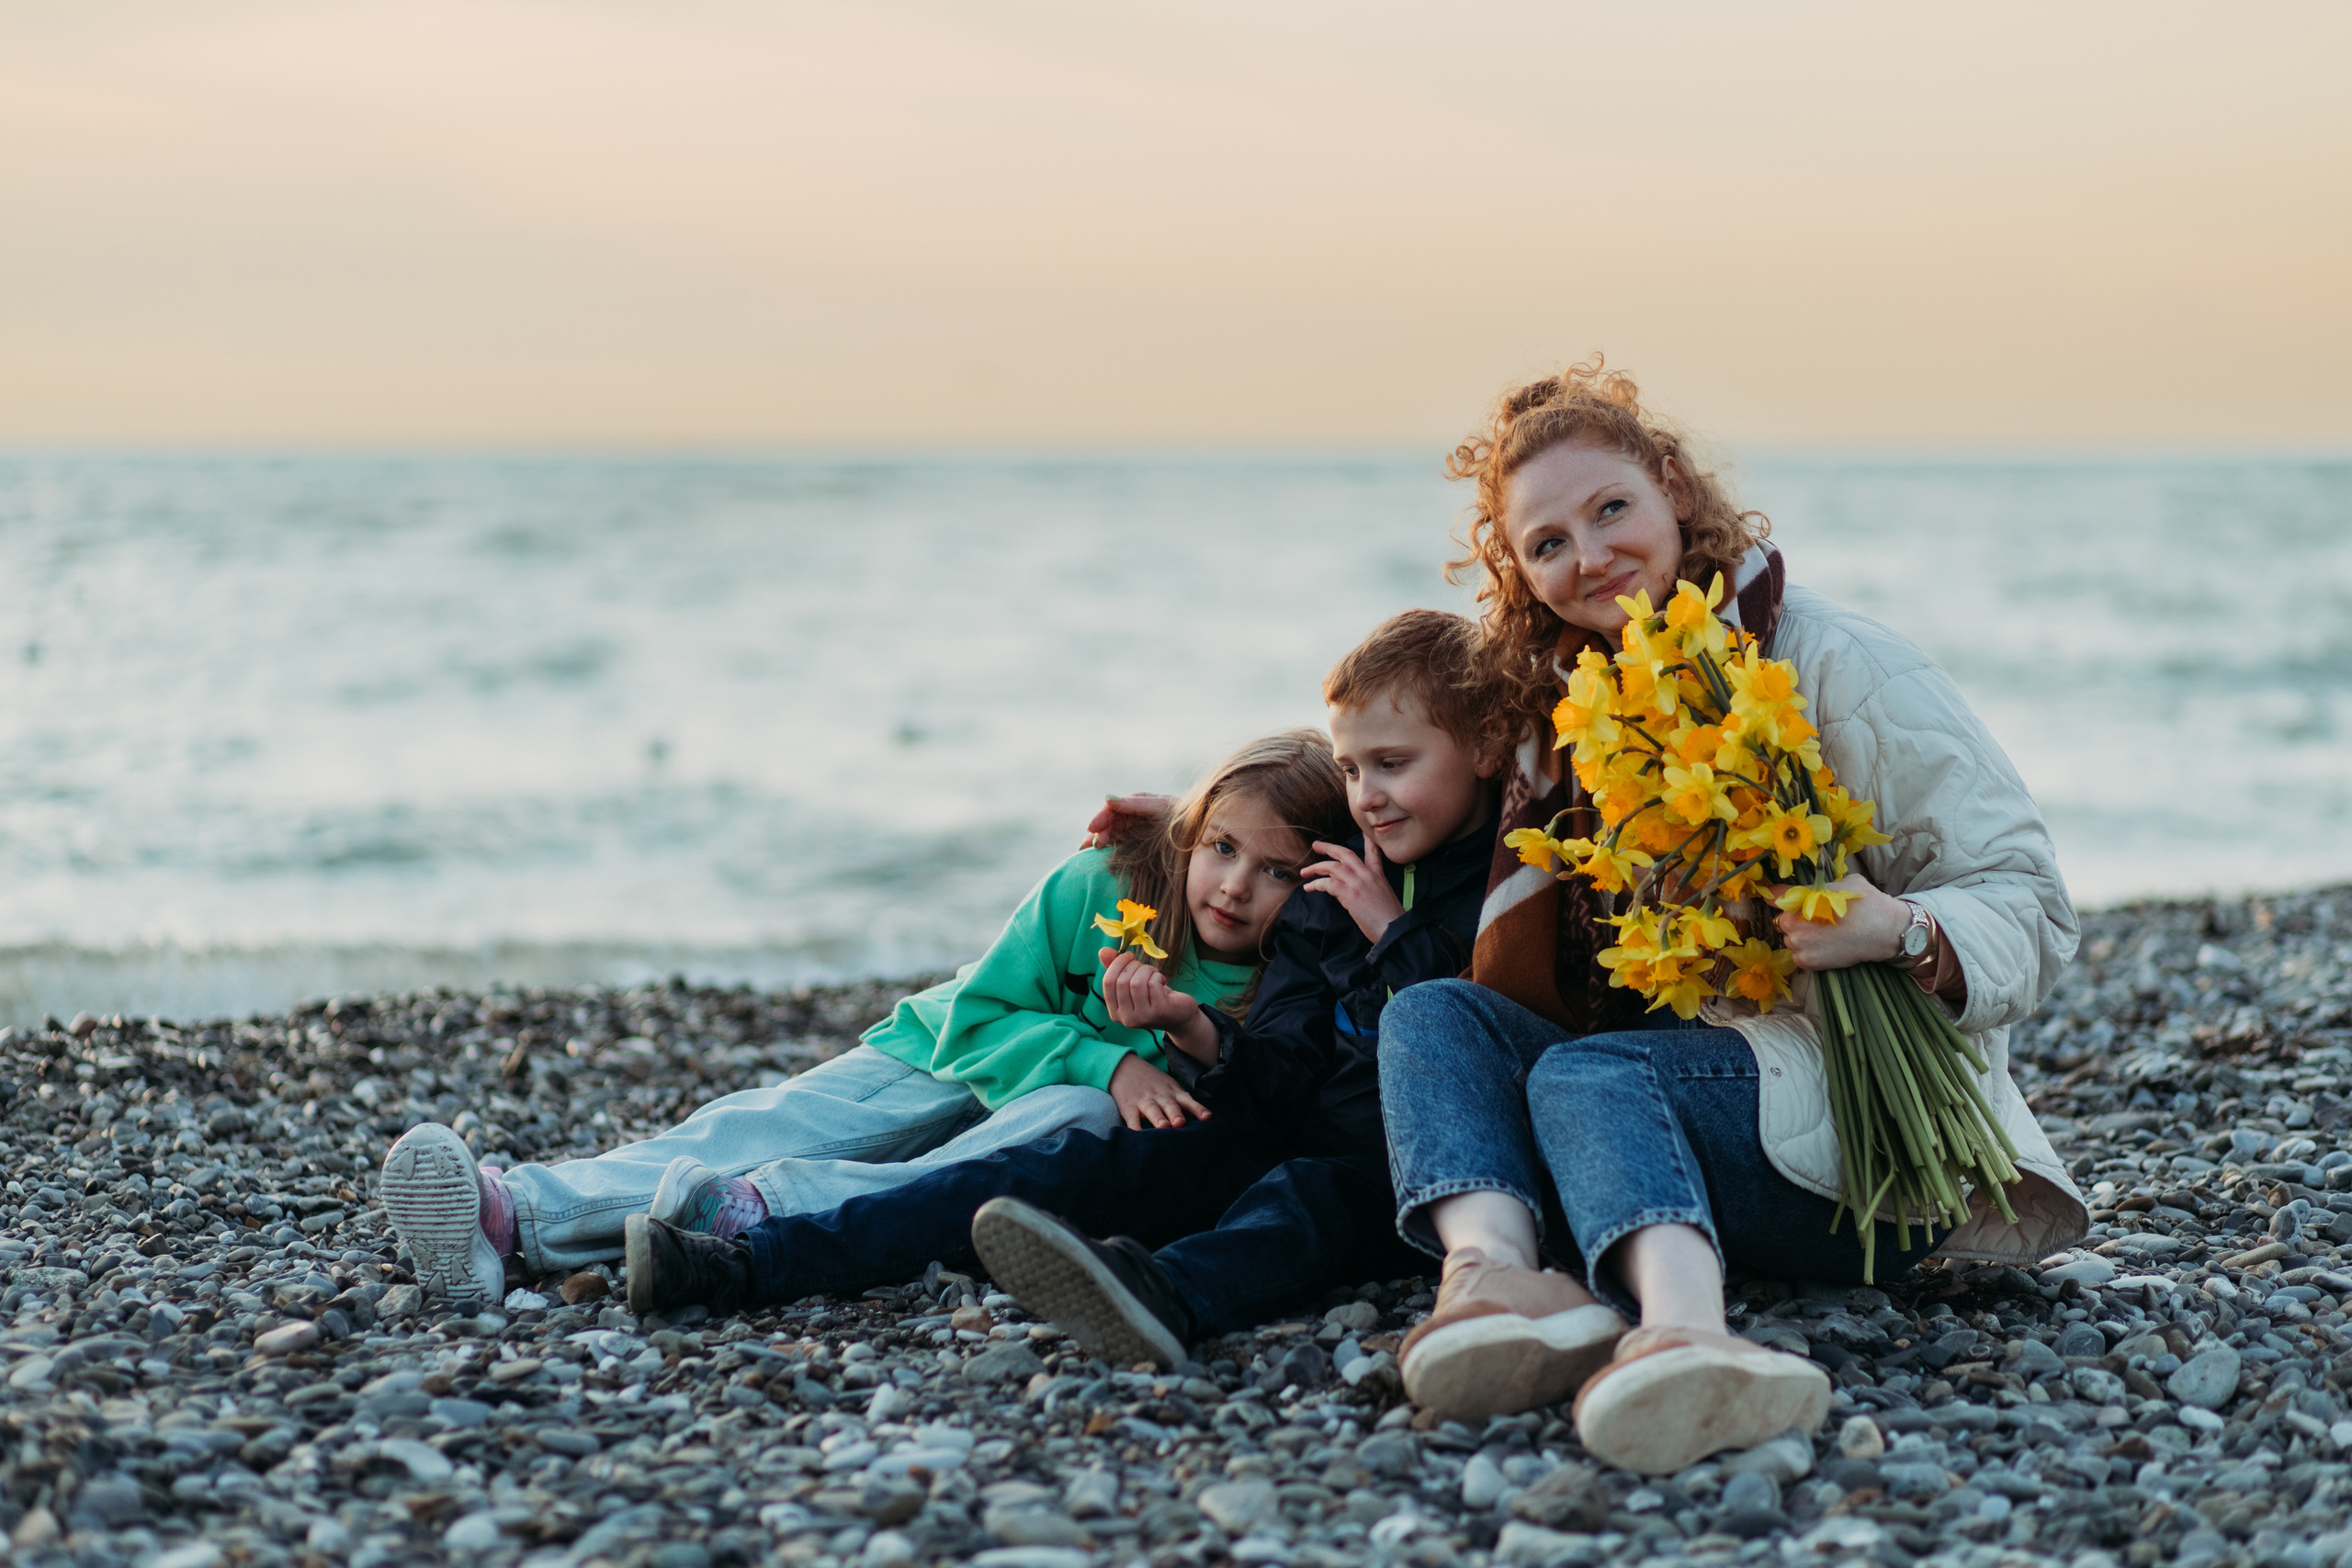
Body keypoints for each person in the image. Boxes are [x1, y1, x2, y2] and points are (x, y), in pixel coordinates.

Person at [1378, 359, 2087, 1474]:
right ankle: (1500, 1282)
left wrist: (1890, 926)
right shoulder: (1565, 710)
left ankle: (1688, 1337)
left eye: (1610, 508)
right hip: (1687, 1113)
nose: (1589, 555)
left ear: (1670, 486)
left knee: (1589, 1073)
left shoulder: (1829, 660)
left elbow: (2031, 904)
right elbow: (1399, 785)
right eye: (1547, 542)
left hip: (1866, 1157)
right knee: (1434, 1018)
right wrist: (1193, 831)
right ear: (1517, 571)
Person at [617, 611, 1523, 1366]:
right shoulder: (1330, 888)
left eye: (1391, 766)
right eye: (1355, 769)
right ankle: (740, 1265)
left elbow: (1463, 1038)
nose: (1369, 795)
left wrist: (1394, 938)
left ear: (1485, 748)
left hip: (1393, 1175)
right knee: (1043, 1171)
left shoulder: (1515, 879)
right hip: (1267, 1131)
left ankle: (1162, 1292)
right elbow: (1280, 1074)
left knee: (1301, 1210)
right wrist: (1193, 1028)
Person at [379, 728, 1347, 1307]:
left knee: (1048, 1136)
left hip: (1060, 1115)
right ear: (1189, 828)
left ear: (1313, 886)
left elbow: (1244, 1110)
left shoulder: (1288, 985)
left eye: (1273, 871)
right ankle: (513, 1219)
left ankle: (749, 1215)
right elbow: (983, 1011)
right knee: (772, 1119)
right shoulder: (1104, 878)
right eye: (1220, 846)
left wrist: (1128, 1070)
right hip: (953, 1046)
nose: (1234, 885)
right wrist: (1102, 1058)